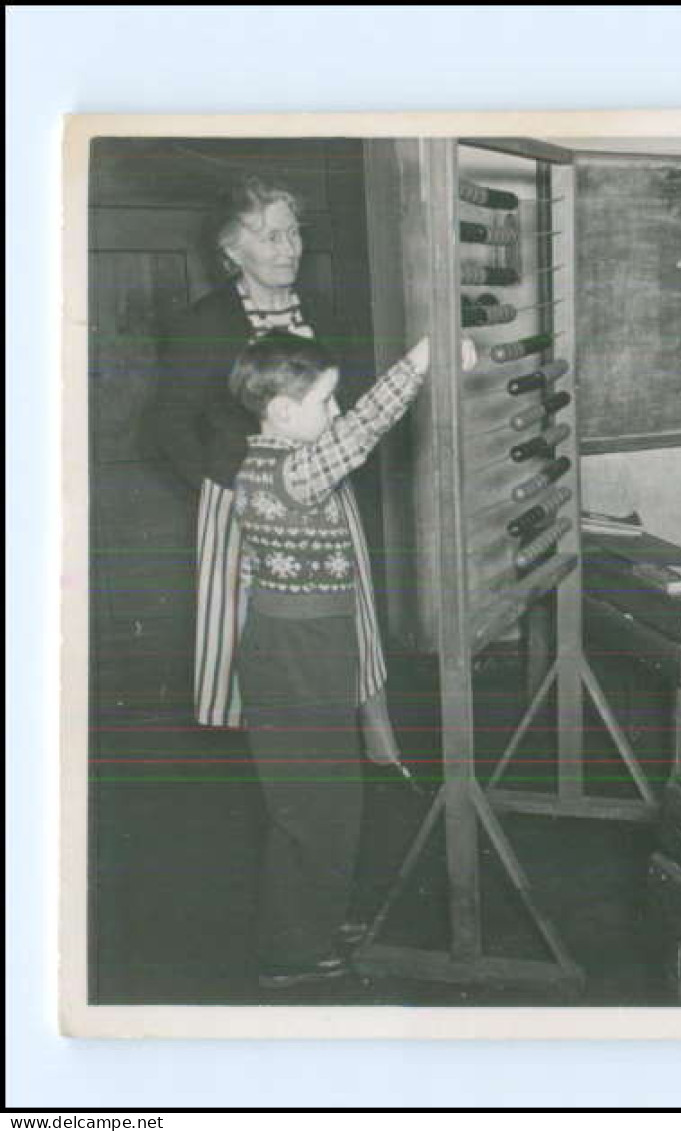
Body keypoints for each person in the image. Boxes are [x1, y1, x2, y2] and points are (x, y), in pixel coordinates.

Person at [229, 330, 475, 989]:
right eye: (325, 401)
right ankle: (290, 950)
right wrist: (423, 360)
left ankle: (312, 918)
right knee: (316, 808)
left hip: (305, 650)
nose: (336, 413)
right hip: (299, 655)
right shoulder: (289, 467)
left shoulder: (265, 461)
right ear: (282, 412)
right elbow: (364, 428)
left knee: (324, 800)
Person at [149, 174, 399, 760]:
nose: (288, 248)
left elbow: (352, 406)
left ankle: (372, 718)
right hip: (241, 499)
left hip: (324, 491)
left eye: (293, 234)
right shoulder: (203, 324)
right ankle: (271, 738)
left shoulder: (325, 315)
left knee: (351, 603)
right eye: (269, 236)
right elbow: (167, 424)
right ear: (232, 251)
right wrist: (225, 484)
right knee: (250, 626)